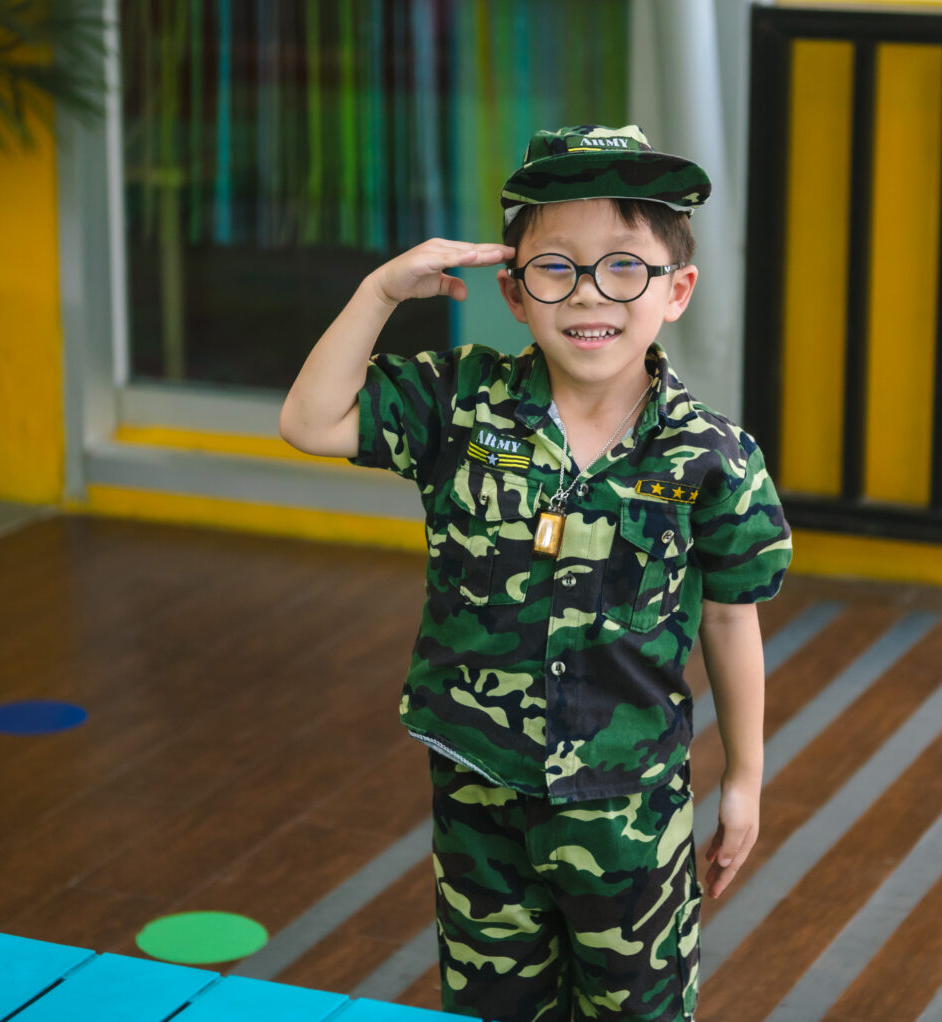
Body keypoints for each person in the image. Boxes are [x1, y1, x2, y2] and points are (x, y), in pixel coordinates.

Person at [279, 124, 791, 1022]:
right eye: (556, 267)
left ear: (677, 290)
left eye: (623, 266)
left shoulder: (714, 456)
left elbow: (729, 617)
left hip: (629, 807)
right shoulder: (461, 403)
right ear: (515, 293)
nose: (589, 291)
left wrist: (744, 776)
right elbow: (310, 422)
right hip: (478, 789)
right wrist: (380, 291)